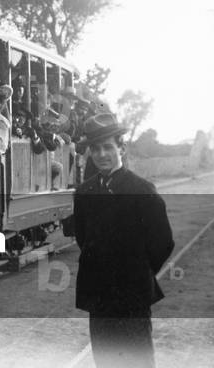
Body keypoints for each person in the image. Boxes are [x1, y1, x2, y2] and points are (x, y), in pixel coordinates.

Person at [74, 113, 174, 368]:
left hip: (133, 297)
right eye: (95, 149)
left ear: (121, 147)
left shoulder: (142, 190)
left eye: (108, 147)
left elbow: (162, 242)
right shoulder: (85, 193)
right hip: (99, 296)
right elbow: (84, 238)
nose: (101, 154)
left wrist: (137, 272)